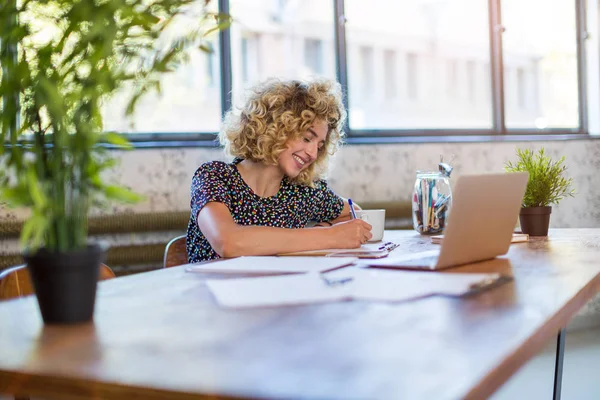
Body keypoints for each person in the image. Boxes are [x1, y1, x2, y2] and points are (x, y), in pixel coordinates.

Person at [186, 78, 372, 263]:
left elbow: (353, 213)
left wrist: (322, 232)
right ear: (274, 127)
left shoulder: (303, 191)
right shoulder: (214, 177)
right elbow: (229, 242)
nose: (313, 153)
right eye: (307, 138)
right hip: (213, 290)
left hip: (279, 290)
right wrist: (328, 236)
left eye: (320, 145)